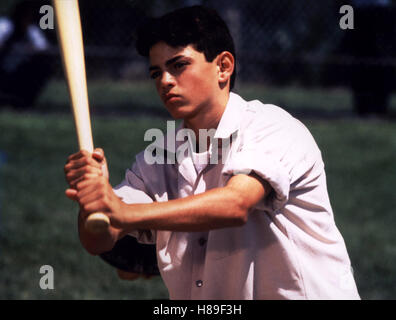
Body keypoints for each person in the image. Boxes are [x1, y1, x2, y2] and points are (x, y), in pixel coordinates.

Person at [64, 6, 360, 299]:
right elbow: (99, 240)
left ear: (223, 67)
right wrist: (94, 198)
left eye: (178, 65)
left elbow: (235, 205)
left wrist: (124, 212)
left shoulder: (273, 127)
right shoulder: (157, 158)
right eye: (156, 72)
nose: (164, 81)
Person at [0, 1, 52, 108]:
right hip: (2, 67)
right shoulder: (4, 25)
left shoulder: (31, 31)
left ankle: (22, 102)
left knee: (43, 66)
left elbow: (44, 49)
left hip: (20, 71)